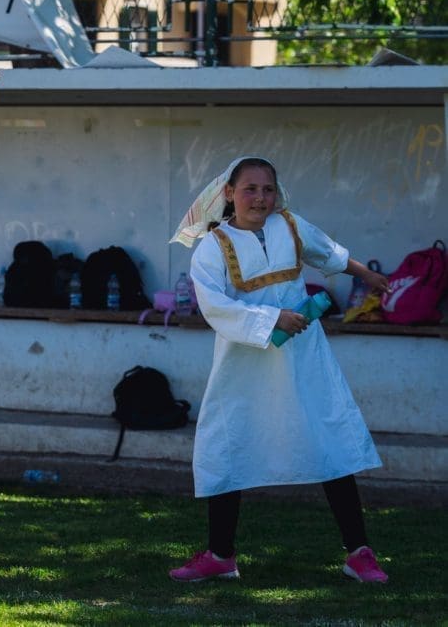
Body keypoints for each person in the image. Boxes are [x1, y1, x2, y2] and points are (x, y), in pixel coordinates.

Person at [168, 156, 391, 584]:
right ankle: (220, 554)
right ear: (229, 193)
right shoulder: (212, 247)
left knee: (327, 438)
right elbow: (215, 306)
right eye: (250, 189)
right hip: (243, 361)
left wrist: (365, 274)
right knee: (229, 443)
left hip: (303, 357)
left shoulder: (290, 225)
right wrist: (272, 320)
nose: (260, 198)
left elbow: (327, 251)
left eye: (268, 189)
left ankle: (359, 553)